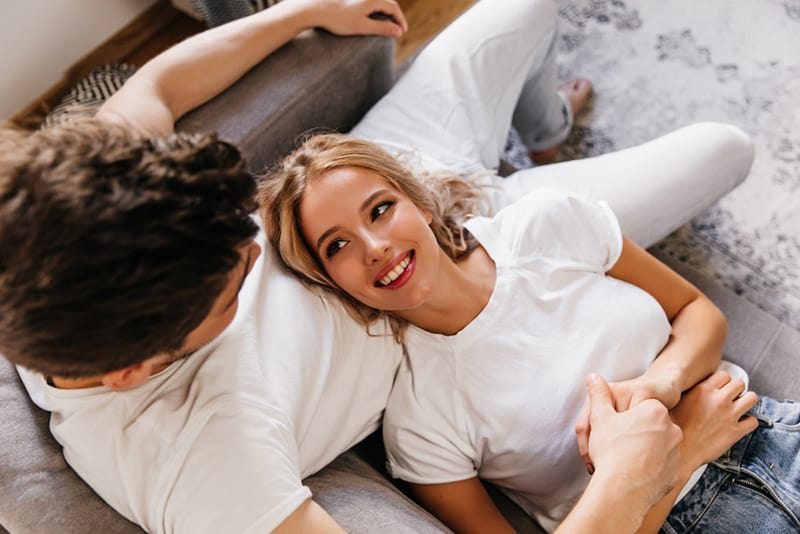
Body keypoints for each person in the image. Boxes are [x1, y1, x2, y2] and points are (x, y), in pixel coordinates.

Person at [0, 0, 755, 532]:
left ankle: (544, 125)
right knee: (725, 150)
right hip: (434, 287)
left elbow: (154, 90)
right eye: (231, 289)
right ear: (140, 365)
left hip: (369, 179)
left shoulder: (71, 213)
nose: (257, 252)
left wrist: (299, 11)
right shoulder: (199, 468)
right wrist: (646, 467)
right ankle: (529, 156)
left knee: (524, 8)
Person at [262, 131, 800, 533]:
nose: (373, 245)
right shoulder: (419, 418)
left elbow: (697, 312)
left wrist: (661, 385)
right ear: (328, 282)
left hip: (769, 432)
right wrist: (677, 457)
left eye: (380, 210)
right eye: (337, 246)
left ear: (419, 203)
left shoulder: (546, 224)